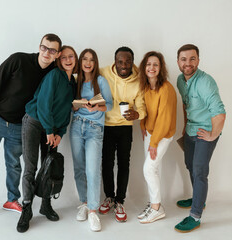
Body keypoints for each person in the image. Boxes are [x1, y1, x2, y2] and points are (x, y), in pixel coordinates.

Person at [0, 33, 62, 224]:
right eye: (44, 47)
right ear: (39, 46)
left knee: (14, 165)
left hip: (18, 126)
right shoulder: (19, 59)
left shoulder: (52, 73)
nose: (47, 53)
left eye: (52, 50)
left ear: (57, 54)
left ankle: (11, 200)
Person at [17, 45, 78, 233]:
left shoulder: (72, 83)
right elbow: (44, 104)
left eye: (71, 56)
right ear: (59, 60)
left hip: (52, 129)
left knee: (49, 165)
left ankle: (46, 204)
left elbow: (66, 110)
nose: (68, 60)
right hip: (35, 122)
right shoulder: (54, 76)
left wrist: (60, 133)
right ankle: (26, 208)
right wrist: (50, 130)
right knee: (31, 166)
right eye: (64, 57)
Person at [174, 44, 226, 233]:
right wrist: (184, 127)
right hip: (189, 130)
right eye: (184, 59)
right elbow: (186, 104)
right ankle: (199, 198)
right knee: (189, 164)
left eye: (192, 59)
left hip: (205, 133)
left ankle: (195, 215)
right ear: (178, 61)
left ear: (198, 60)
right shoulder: (180, 80)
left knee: (199, 171)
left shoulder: (205, 82)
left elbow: (220, 113)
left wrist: (212, 135)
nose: (188, 63)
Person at [98, 46, 146, 222]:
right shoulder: (103, 72)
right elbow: (83, 74)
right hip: (106, 125)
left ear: (132, 62)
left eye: (127, 62)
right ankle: (109, 197)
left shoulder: (140, 79)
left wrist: (137, 114)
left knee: (124, 164)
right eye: (120, 62)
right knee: (107, 163)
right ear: (115, 62)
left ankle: (120, 201)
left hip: (126, 127)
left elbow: (141, 106)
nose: (123, 65)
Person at [70, 49, 113, 232]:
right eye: (85, 59)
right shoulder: (75, 80)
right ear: (80, 62)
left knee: (92, 169)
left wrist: (96, 105)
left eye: (91, 60)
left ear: (95, 63)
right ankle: (85, 203)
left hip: (94, 129)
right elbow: (69, 106)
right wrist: (77, 104)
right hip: (76, 127)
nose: (88, 63)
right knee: (79, 168)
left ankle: (93, 211)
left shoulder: (100, 81)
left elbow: (109, 104)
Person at [137, 51, 177, 224]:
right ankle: (155, 203)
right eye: (148, 64)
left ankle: (156, 209)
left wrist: (154, 143)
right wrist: (142, 126)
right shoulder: (146, 87)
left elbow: (164, 118)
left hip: (163, 134)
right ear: (144, 67)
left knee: (148, 169)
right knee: (154, 170)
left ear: (161, 68)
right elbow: (145, 109)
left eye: (155, 64)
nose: (151, 68)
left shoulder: (166, 88)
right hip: (151, 132)